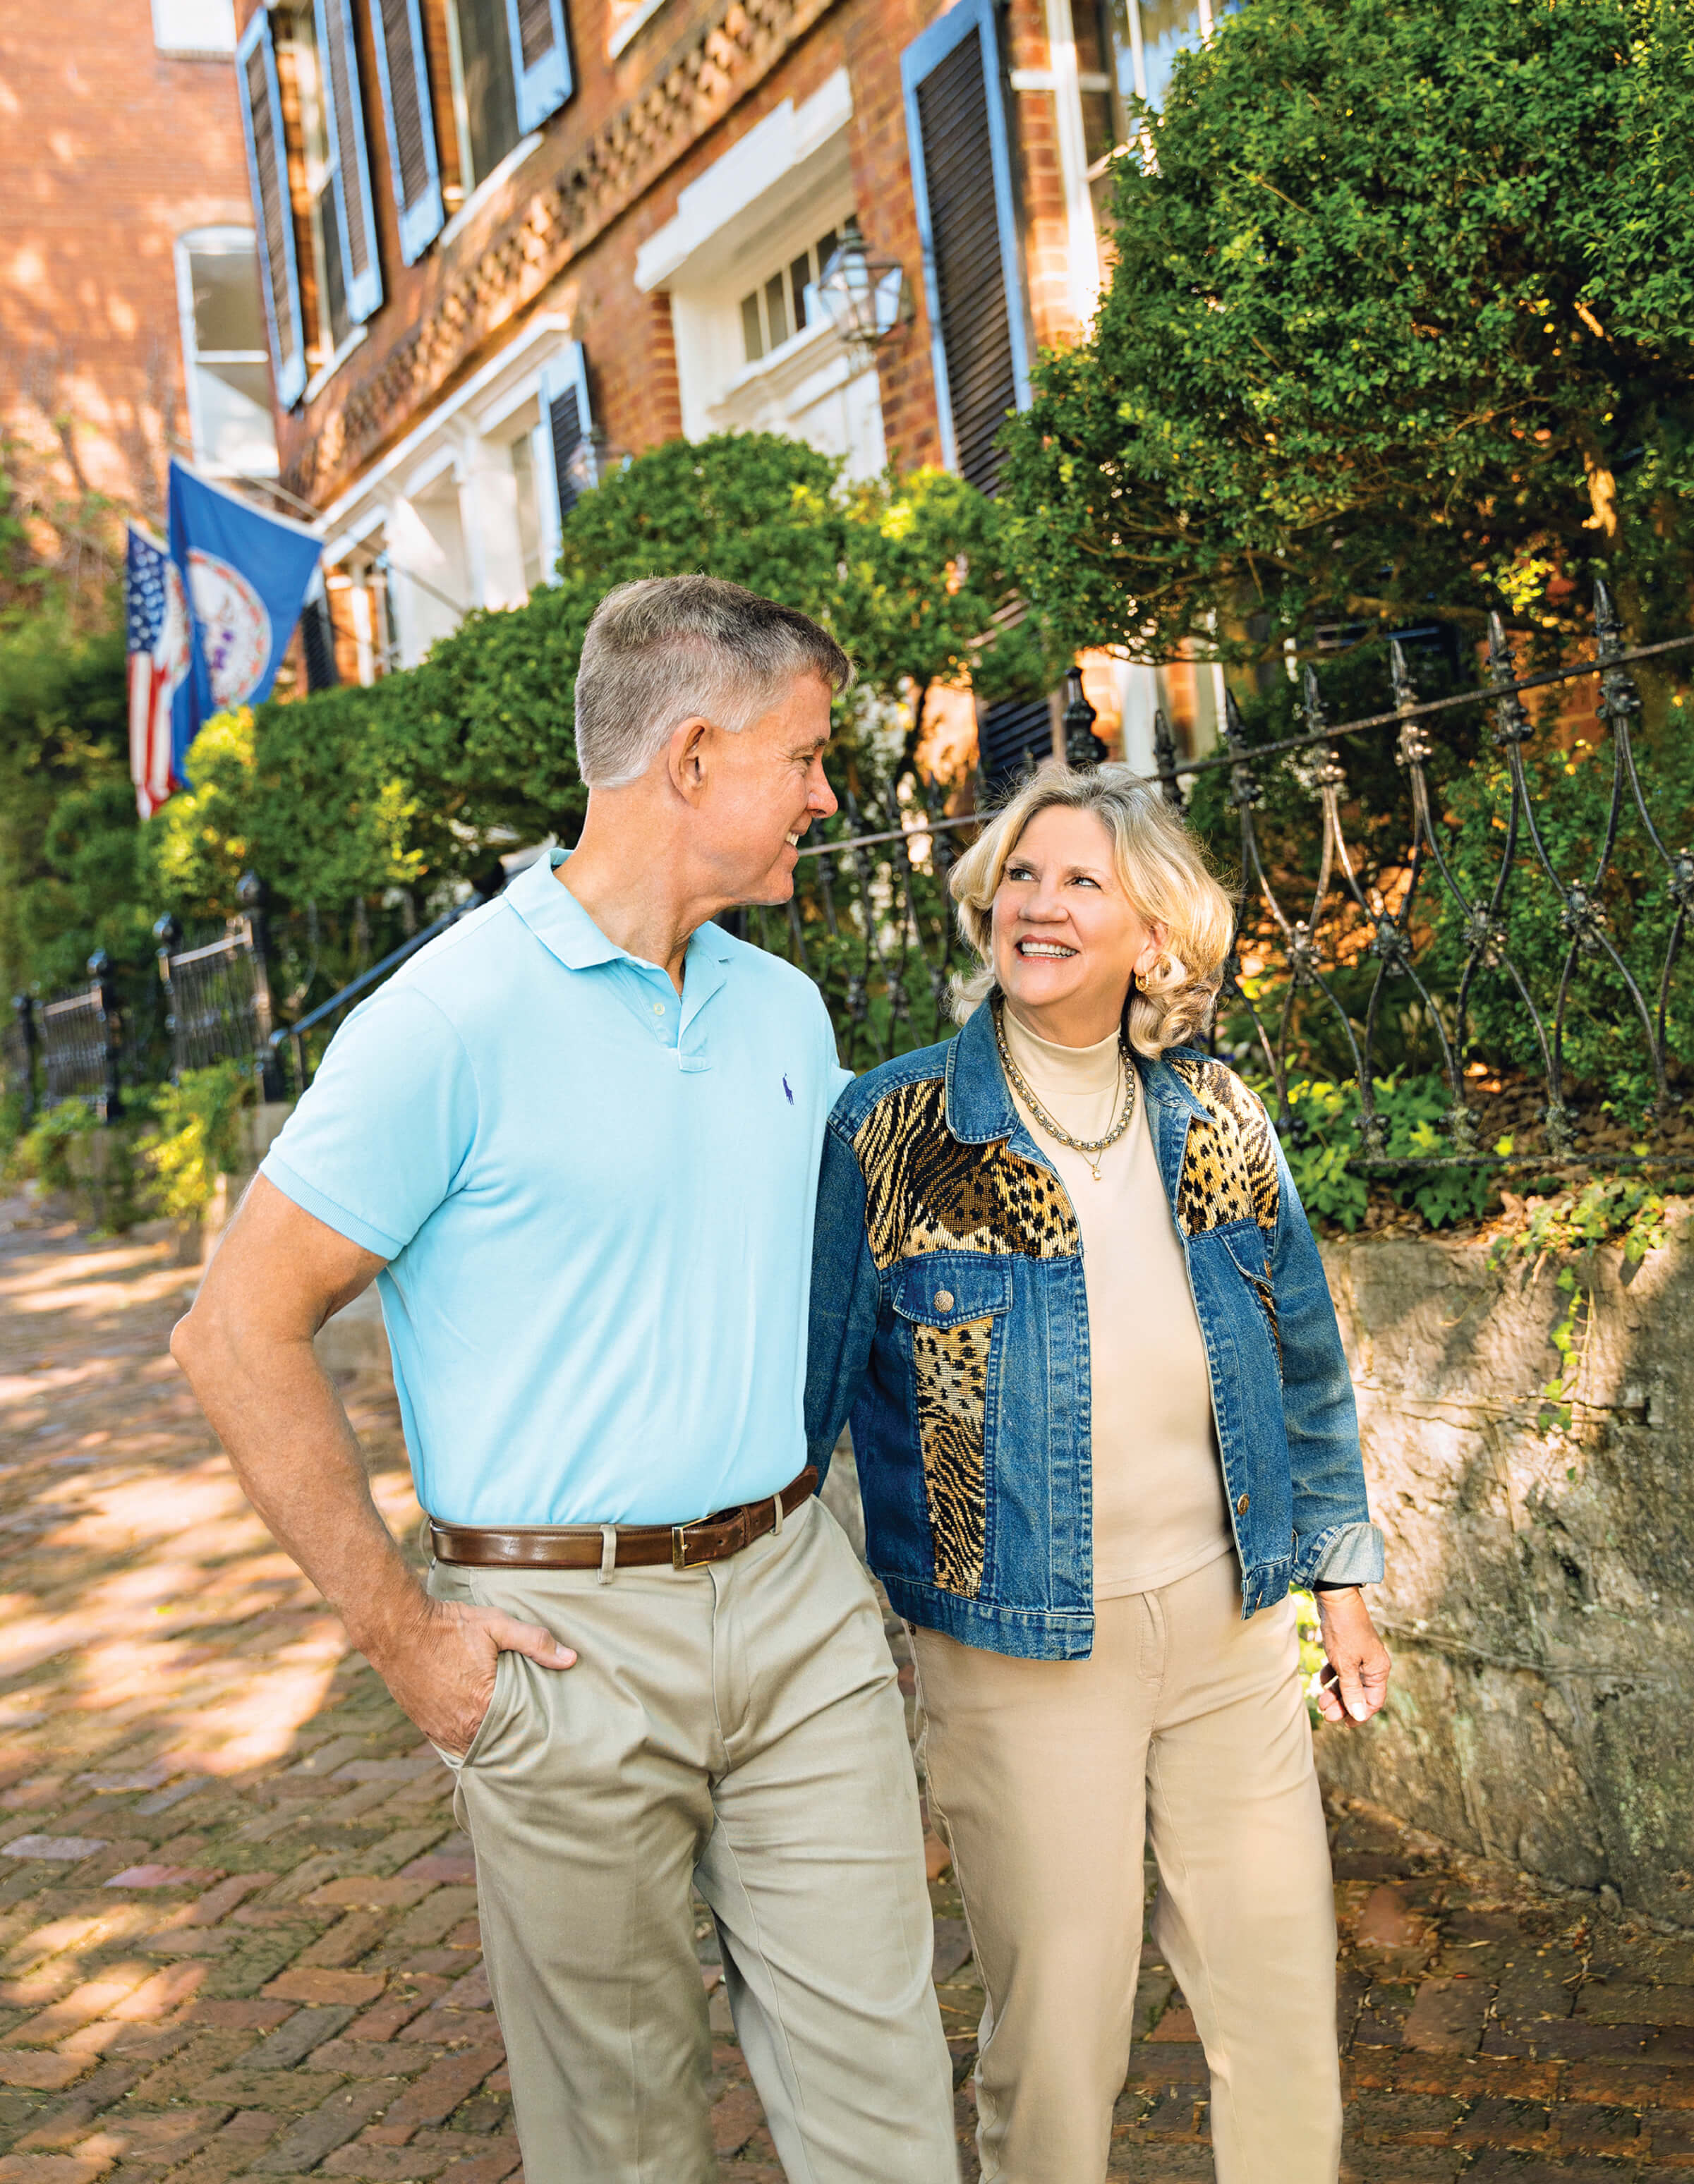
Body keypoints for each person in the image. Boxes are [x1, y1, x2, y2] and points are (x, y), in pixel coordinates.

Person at [171, 576, 960, 2184]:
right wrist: (406, 1643)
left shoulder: (787, 1009)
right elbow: (232, 1329)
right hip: (562, 1646)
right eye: (805, 759)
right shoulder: (446, 1021)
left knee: (889, 2108)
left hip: (800, 1606)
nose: (827, 793)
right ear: (688, 762)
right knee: (621, 2140)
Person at [806, 762, 1391, 2184]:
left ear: (1154, 937)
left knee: (1279, 2011)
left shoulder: (1218, 1119)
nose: (1038, 904)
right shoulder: (891, 1132)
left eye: (1080, 881)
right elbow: (804, 1416)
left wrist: (1345, 1584)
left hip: (1230, 1626)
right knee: (1062, 2038)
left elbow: (1302, 1362)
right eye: (1020, 874)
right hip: (1016, 1654)